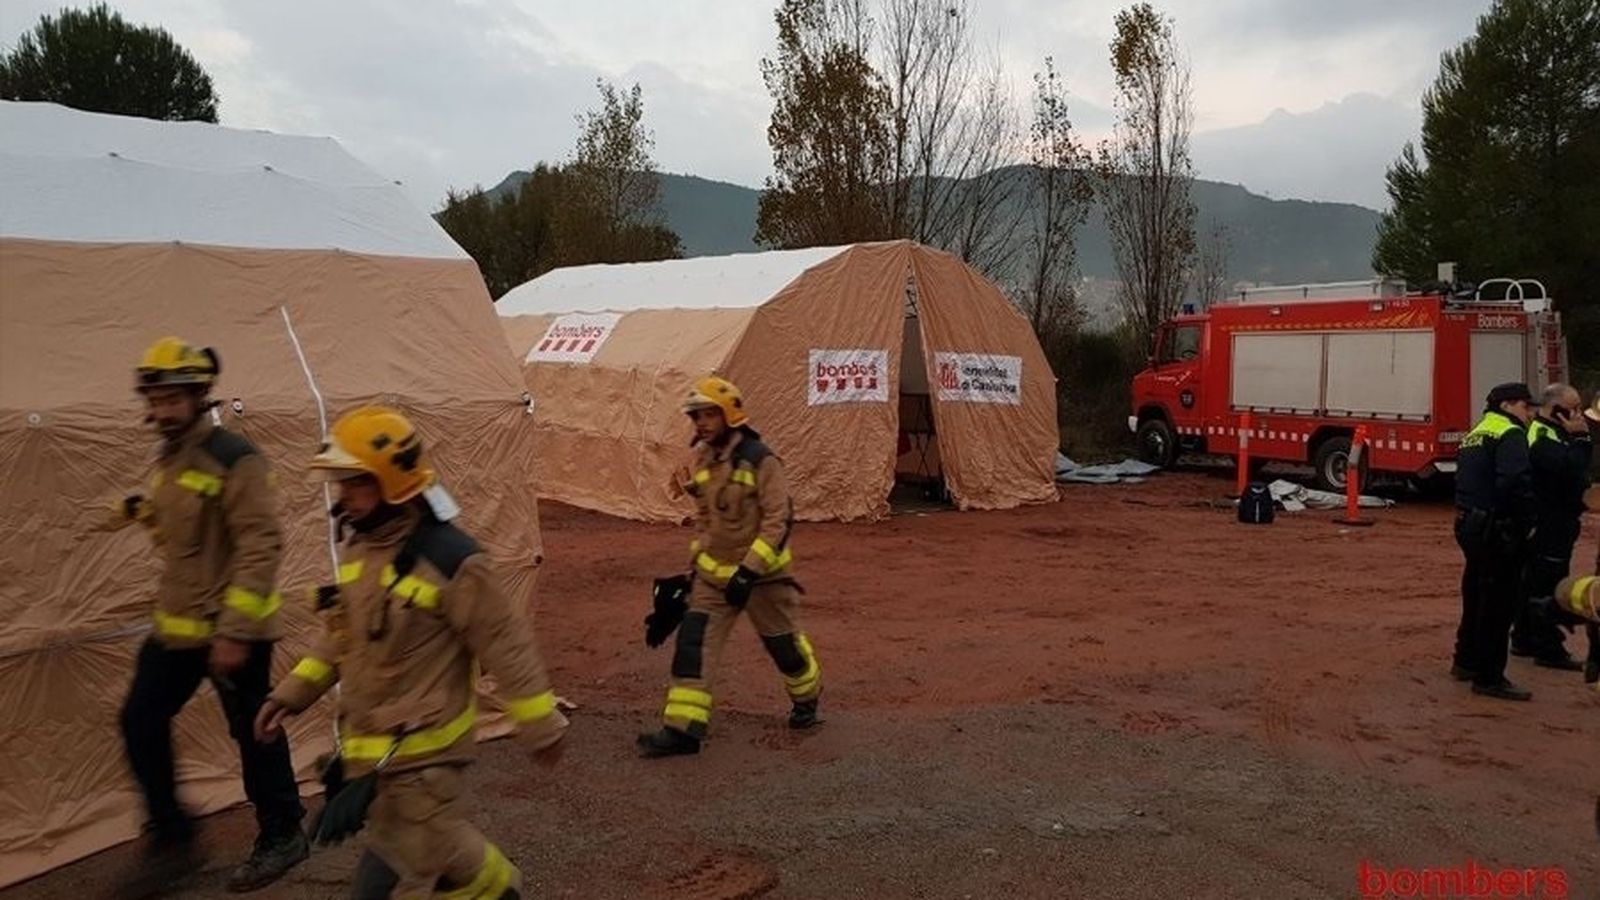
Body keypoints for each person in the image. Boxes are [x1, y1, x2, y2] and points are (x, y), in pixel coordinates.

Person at [254, 406, 566, 899]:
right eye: (342, 483)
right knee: (446, 859)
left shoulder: (451, 561)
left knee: (393, 880)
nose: (344, 496)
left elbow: (505, 643)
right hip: (375, 761)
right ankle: (501, 892)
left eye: (355, 483)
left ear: (391, 482)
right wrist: (291, 694)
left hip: (426, 762)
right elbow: (342, 636)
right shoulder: (362, 553)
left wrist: (541, 725)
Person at [112, 337, 307, 895]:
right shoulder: (170, 460)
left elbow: (261, 544)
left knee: (254, 732)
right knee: (138, 721)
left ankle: (283, 834)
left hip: (232, 631)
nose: (161, 410)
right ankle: (174, 840)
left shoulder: (236, 459)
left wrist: (236, 631)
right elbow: (187, 543)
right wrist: (144, 513)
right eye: (154, 399)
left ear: (199, 395)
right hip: (178, 627)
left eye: (172, 399)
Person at [636, 376, 823, 758]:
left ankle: (807, 698)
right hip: (712, 581)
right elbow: (706, 518)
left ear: (729, 414)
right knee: (693, 646)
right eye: (697, 416)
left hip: (764, 581)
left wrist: (749, 571)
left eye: (709, 414)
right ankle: (682, 731)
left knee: (785, 649)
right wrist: (694, 572)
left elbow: (778, 521)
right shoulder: (705, 458)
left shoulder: (761, 460)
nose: (701, 423)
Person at [1451, 382, 1538, 701]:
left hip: (1469, 523)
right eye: (1525, 406)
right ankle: (1489, 677)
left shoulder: (1476, 431)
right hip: (1497, 528)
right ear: (1506, 406)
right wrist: (1527, 523)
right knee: (1498, 603)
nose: (1529, 412)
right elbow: (1515, 481)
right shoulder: (1511, 434)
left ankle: (1465, 661)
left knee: (1475, 593)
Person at [1510, 384, 1593, 670]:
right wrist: (1581, 438)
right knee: (1549, 582)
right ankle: (1547, 647)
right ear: (1555, 409)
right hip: (1549, 521)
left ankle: (1523, 637)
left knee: (1533, 580)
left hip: (1554, 519)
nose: (1578, 414)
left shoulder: (1552, 433)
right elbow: (1574, 471)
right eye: (1572, 408)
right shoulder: (1543, 437)